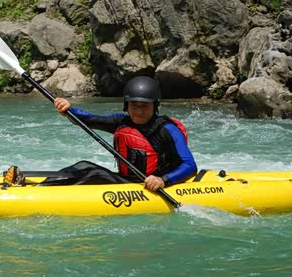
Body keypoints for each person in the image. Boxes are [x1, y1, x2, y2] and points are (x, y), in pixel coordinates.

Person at [53, 76, 197, 191]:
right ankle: (43, 188)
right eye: (134, 105)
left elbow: (190, 166)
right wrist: (69, 109)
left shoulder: (168, 130)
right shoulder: (121, 121)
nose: (139, 111)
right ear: (126, 105)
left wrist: (163, 180)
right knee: (83, 166)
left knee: (95, 174)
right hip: (128, 182)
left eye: (145, 106)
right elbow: (89, 120)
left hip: (152, 186)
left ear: (155, 105)